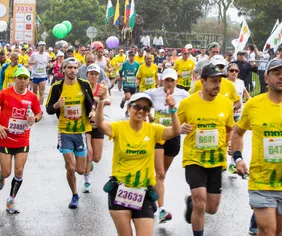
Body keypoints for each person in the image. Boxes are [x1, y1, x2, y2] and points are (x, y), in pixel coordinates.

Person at [95, 88, 181, 236]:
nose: (141, 111)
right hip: (120, 189)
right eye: (137, 106)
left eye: (146, 108)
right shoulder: (119, 127)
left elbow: (175, 131)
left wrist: (173, 110)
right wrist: (101, 102)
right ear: (129, 107)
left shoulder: (153, 129)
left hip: (144, 192)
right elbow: (100, 124)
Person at [231, 59, 282, 236]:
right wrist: (237, 158)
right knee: (268, 230)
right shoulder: (254, 105)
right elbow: (237, 133)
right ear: (266, 78)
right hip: (261, 181)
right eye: (277, 73)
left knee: (274, 232)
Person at [179, 64, 234, 236]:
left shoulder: (226, 103)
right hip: (194, 158)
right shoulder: (187, 103)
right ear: (202, 81)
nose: (217, 85)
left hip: (216, 160)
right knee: (201, 204)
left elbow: (230, 128)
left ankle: (190, 202)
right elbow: (174, 126)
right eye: (213, 81)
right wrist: (180, 127)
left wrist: (228, 144)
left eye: (219, 81)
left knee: (211, 208)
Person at [46, 58, 94, 209]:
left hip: (80, 132)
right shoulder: (57, 87)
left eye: (75, 68)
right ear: (63, 69)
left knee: (80, 170)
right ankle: (74, 195)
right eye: (69, 68)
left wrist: (92, 111)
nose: (72, 70)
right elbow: (48, 109)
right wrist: (56, 105)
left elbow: (92, 102)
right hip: (64, 131)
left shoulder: (84, 84)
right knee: (71, 167)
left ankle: (87, 165)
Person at [145, 68, 189, 223]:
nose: (169, 83)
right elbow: (138, 100)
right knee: (161, 174)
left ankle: (150, 190)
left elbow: (191, 111)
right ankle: (162, 209)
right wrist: (147, 115)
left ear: (176, 81)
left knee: (160, 174)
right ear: (161, 81)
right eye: (166, 80)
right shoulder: (153, 92)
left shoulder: (183, 95)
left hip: (173, 137)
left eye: (172, 80)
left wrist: (184, 127)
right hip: (157, 137)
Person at [0, 67, 42, 213]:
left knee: (19, 171)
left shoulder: (32, 97)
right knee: (6, 173)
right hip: (5, 139)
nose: (23, 81)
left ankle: (11, 200)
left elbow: (39, 113)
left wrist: (34, 119)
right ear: (15, 79)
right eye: (20, 78)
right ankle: (2, 176)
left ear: (28, 80)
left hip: (22, 139)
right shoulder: (5, 94)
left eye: (26, 78)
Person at [82, 64, 105, 193]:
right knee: (88, 153)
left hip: (98, 124)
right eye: (91, 74)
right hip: (85, 124)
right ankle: (87, 181)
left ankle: (88, 163)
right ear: (87, 75)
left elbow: (108, 100)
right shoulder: (83, 88)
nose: (93, 76)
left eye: (96, 74)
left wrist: (99, 100)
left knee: (96, 157)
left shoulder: (101, 88)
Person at [119, 51, 140, 116]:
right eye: (130, 56)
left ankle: (127, 111)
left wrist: (138, 80)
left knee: (132, 99)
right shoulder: (125, 64)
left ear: (134, 56)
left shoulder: (137, 64)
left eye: (133, 56)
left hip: (133, 84)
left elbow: (139, 74)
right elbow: (120, 71)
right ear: (128, 57)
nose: (131, 57)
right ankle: (124, 99)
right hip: (126, 83)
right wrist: (122, 77)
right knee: (128, 97)